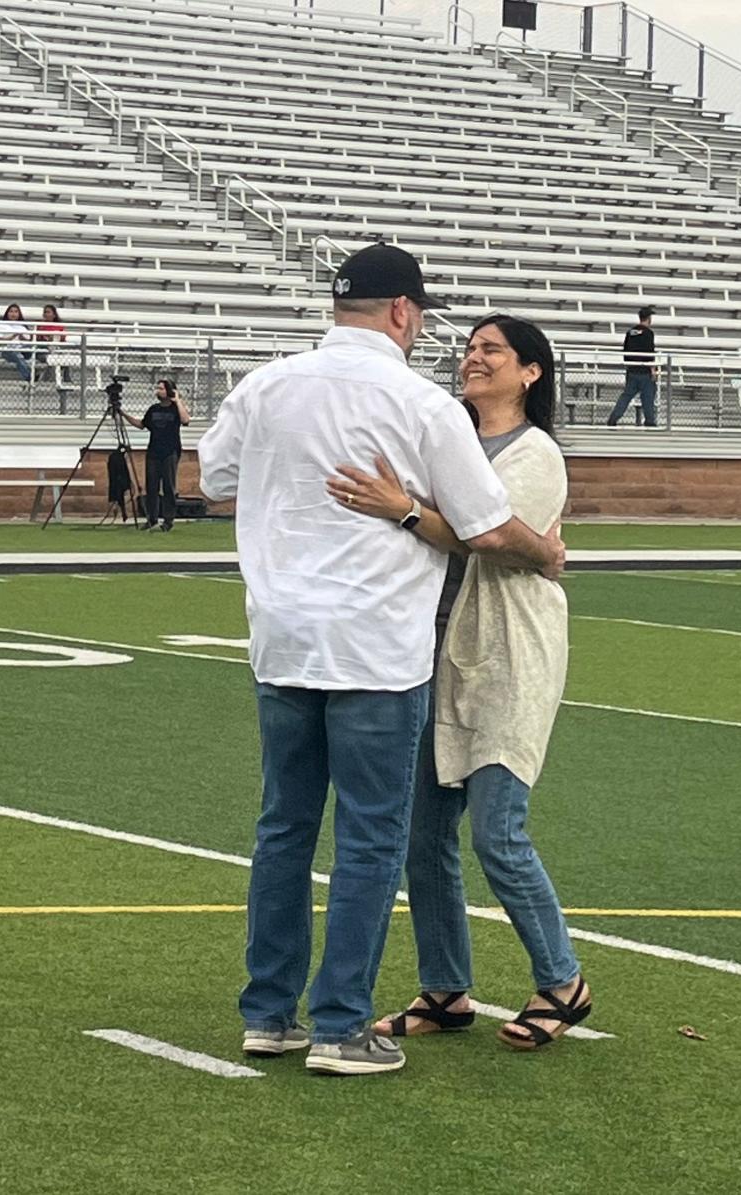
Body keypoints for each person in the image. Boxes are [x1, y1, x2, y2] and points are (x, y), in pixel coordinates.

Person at [197, 243, 566, 1077]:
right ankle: (339, 1024)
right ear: (403, 311)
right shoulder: (421, 403)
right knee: (369, 836)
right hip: (377, 644)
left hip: (284, 633)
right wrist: (543, 551)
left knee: (284, 825)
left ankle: (269, 1013)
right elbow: (483, 525)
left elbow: (213, 477)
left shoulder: (267, 384)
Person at [327, 314, 590, 1051]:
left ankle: (562, 979)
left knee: (498, 829)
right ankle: (446, 987)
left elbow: (491, 534)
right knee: (425, 834)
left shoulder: (535, 452)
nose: (473, 359)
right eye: (470, 349)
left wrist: (407, 509)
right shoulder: (447, 437)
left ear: (530, 371)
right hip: (429, 651)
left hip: (508, 652)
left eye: (492, 351)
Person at [119, 379, 190, 531]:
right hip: (153, 452)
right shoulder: (153, 409)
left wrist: (177, 400)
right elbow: (141, 425)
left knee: (168, 487)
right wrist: (123, 414)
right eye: (157, 388)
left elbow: (185, 420)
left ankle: (168, 521)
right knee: (151, 487)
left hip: (170, 452)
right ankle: (152, 518)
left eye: (161, 388)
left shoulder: (176, 409)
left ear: (169, 391)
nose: (158, 391)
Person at [606, 306, 657, 427]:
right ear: (648, 319)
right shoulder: (649, 333)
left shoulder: (630, 332)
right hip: (644, 371)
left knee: (626, 396)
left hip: (632, 369)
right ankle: (650, 421)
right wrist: (653, 369)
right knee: (648, 397)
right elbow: (650, 353)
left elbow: (625, 351)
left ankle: (613, 418)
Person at [0, 303, 34, 382]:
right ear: (7, 313)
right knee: (17, 355)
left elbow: (29, 341)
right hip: (8, 350)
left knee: (31, 350)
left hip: (23, 349)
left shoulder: (23, 326)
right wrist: (10, 338)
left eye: (16, 312)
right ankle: (29, 376)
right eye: (11, 311)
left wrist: (23, 338)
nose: (13, 314)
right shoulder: (2, 325)